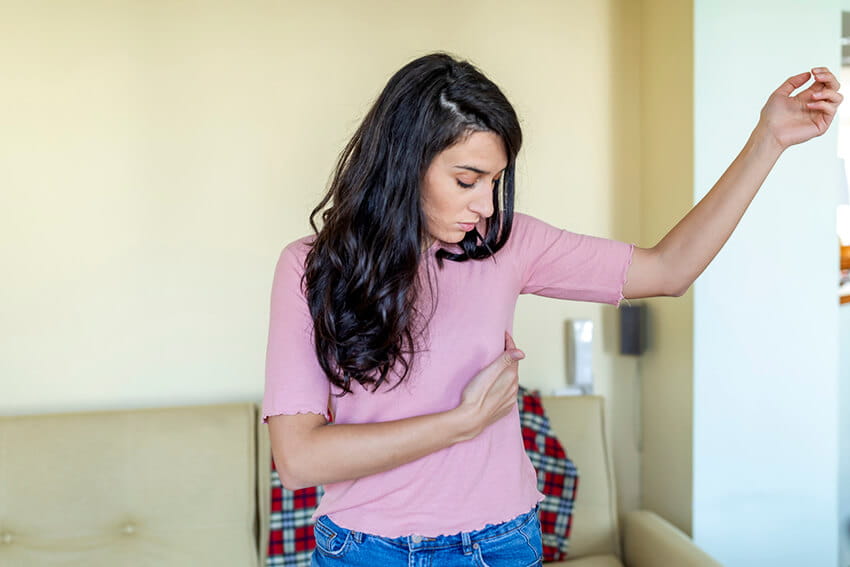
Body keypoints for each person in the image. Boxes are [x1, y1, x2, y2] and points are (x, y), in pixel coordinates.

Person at [262, 53, 841, 566]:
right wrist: (460, 423)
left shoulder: (508, 243)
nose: (485, 205)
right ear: (404, 163)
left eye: (494, 181)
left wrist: (768, 140)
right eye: (466, 180)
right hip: (363, 551)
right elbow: (299, 459)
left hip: (499, 546)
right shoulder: (309, 267)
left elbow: (670, 269)